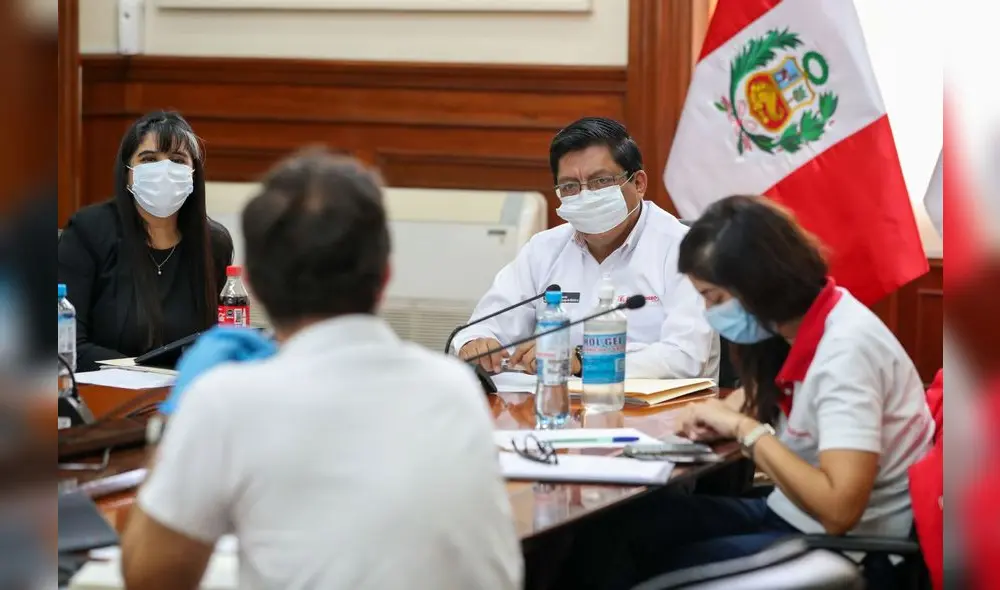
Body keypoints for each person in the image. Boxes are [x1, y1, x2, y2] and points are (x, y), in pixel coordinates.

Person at [120, 150, 523, 590]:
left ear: (250, 283)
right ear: (386, 276)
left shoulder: (226, 402)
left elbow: (148, 577)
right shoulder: (456, 388)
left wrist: (173, 421)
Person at [564, 195, 934, 588]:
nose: (710, 313)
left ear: (761, 284)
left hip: (851, 548)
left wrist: (745, 430)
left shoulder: (845, 352)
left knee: (654, 570)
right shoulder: (801, 323)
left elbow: (839, 509)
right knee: (614, 527)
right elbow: (760, 396)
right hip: (791, 515)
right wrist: (720, 416)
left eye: (715, 298)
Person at [455, 117, 718, 379]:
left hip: (664, 415)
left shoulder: (685, 249)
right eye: (570, 186)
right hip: (557, 410)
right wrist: (476, 343)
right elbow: (483, 328)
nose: (585, 196)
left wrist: (584, 360)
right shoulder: (543, 249)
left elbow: (685, 356)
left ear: (638, 184)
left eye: (601, 181)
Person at [58, 111, 233, 371]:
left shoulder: (214, 242)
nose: (163, 170)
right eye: (149, 159)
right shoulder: (88, 232)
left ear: (193, 174)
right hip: (103, 395)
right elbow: (66, 344)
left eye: (177, 160)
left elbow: (216, 341)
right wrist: (142, 370)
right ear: (127, 172)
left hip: (185, 395)